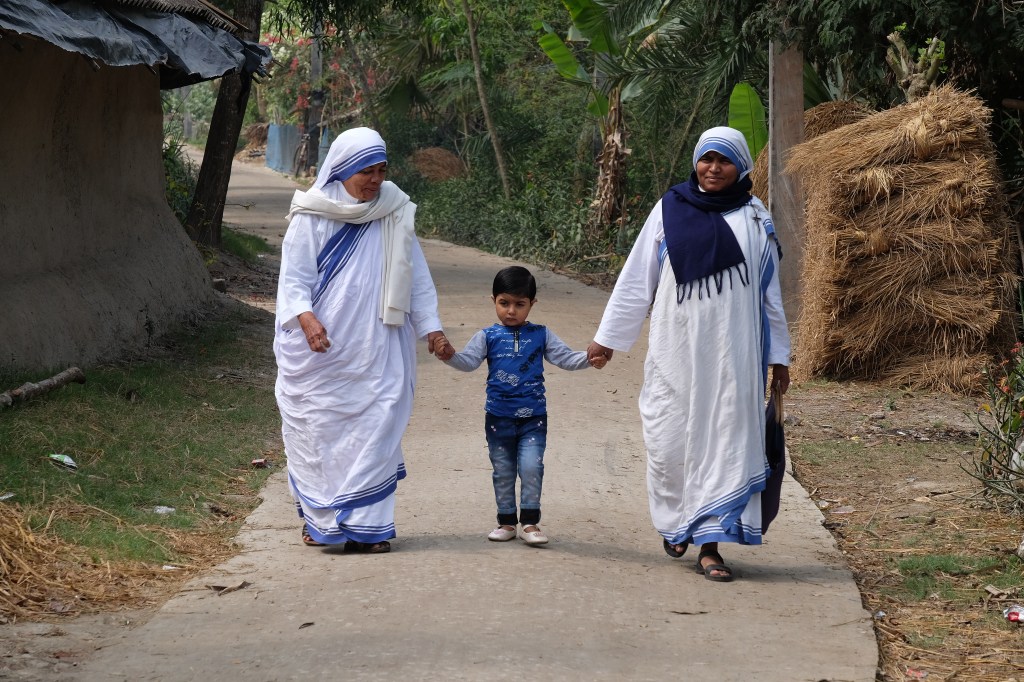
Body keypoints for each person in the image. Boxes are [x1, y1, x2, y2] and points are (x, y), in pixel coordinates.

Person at [587, 127, 791, 582]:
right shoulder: (669, 210)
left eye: (724, 160)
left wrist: (780, 357)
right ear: (696, 162)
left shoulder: (757, 219)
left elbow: (770, 295)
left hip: (733, 360)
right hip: (674, 352)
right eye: (707, 159)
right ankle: (676, 521)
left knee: (722, 442)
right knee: (668, 440)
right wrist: (607, 339)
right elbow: (638, 277)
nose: (714, 168)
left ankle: (710, 545)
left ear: (742, 166)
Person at [274, 127, 452, 554]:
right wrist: (307, 319)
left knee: (379, 422)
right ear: (341, 171)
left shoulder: (394, 209)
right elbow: (294, 280)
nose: (374, 180)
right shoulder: (311, 215)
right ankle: (320, 522)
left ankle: (370, 526)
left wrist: (432, 326)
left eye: (380, 170)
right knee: (317, 431)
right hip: (323, 352)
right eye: (365, 172)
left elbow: (416, 275)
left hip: (379, 347)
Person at [438, 266, 605, 545]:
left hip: (534, 419)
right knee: (502, 469)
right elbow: (467, 362)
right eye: (504, 303)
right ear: (493, 300)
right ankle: (506, 522)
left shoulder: (542, 334)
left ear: (532, 304)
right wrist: (449, 355)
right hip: (497, 417)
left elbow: (564, 358)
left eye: (520, 304)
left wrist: (590, 359)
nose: (511, 311)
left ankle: (529, 523)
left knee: (531, 467)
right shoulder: (487, 336)